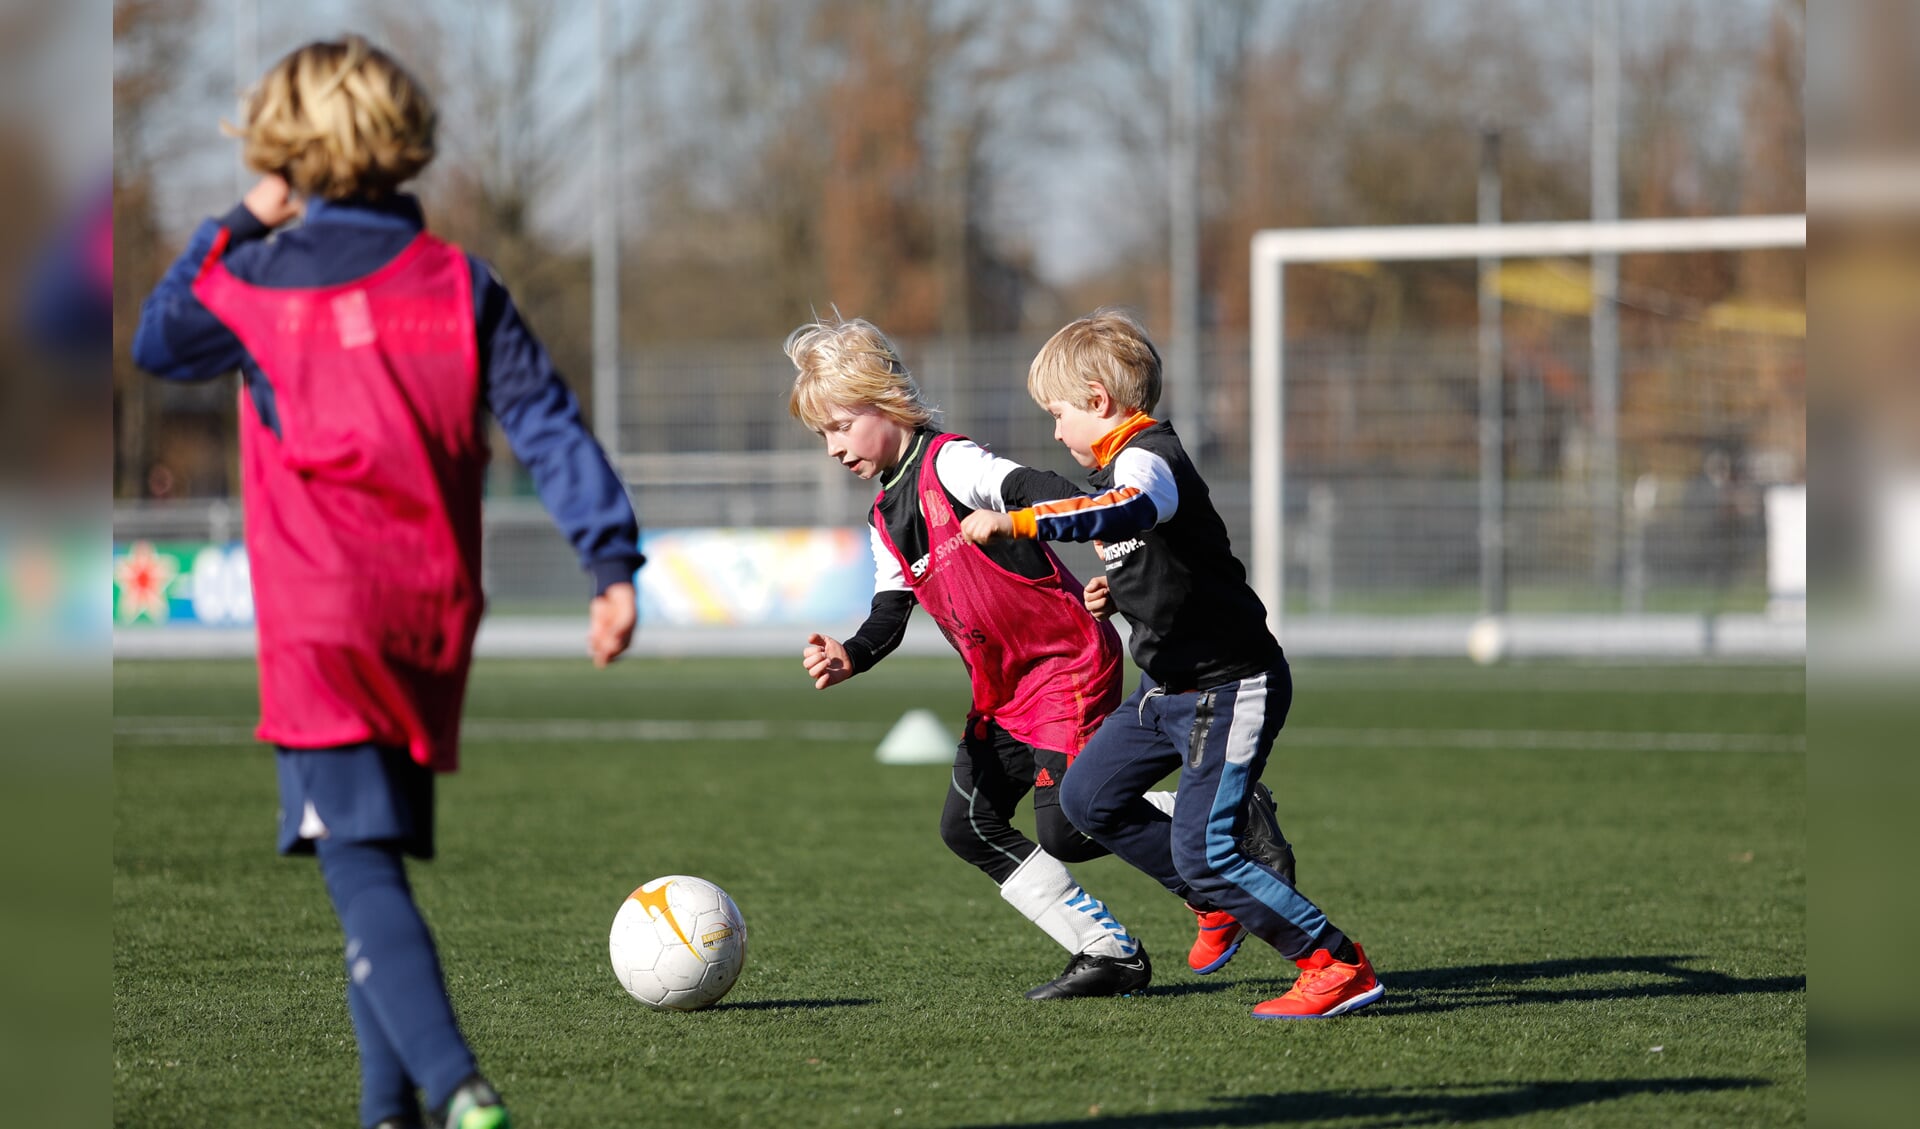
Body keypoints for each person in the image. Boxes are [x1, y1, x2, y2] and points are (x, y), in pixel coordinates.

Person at [132, 36, 642, 1127]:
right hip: (432, 611)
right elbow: (547, 426)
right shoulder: (461, 283)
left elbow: (158, 340)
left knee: (356, 868)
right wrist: (609, 560)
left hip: (321, 617)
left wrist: (234, 218)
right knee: (374, 858)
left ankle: (457, 1084)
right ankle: (388, 1113)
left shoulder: (251, 277)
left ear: (288, 147)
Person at [960, 308, 1381, 1020]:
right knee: (1085, 801)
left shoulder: (1148, 456)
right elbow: (1160, 566)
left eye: (1059, 413)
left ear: (1098, 401)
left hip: (1229, 683)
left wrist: (1023, 520)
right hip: (1165, 689)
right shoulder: (1121, 462)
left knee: (1207, 848)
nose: (1055, 430)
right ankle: (1210, 899)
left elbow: (1132, 508)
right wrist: (1113, 595)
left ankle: (1335, 964)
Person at [787, 314, 1156, 999]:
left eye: (839, 426)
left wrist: (1097, 519)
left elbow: (1031, 486)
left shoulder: (949, 462)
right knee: (970, 825)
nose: (833, 448)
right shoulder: (883, 517)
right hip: (1006, 692)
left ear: (882, 399)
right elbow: (890, 613)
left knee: (1069, 827)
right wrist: (850, 656)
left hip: (1064, 662)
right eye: (822, 436)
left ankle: (1215, 808)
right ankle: (1109, 952)